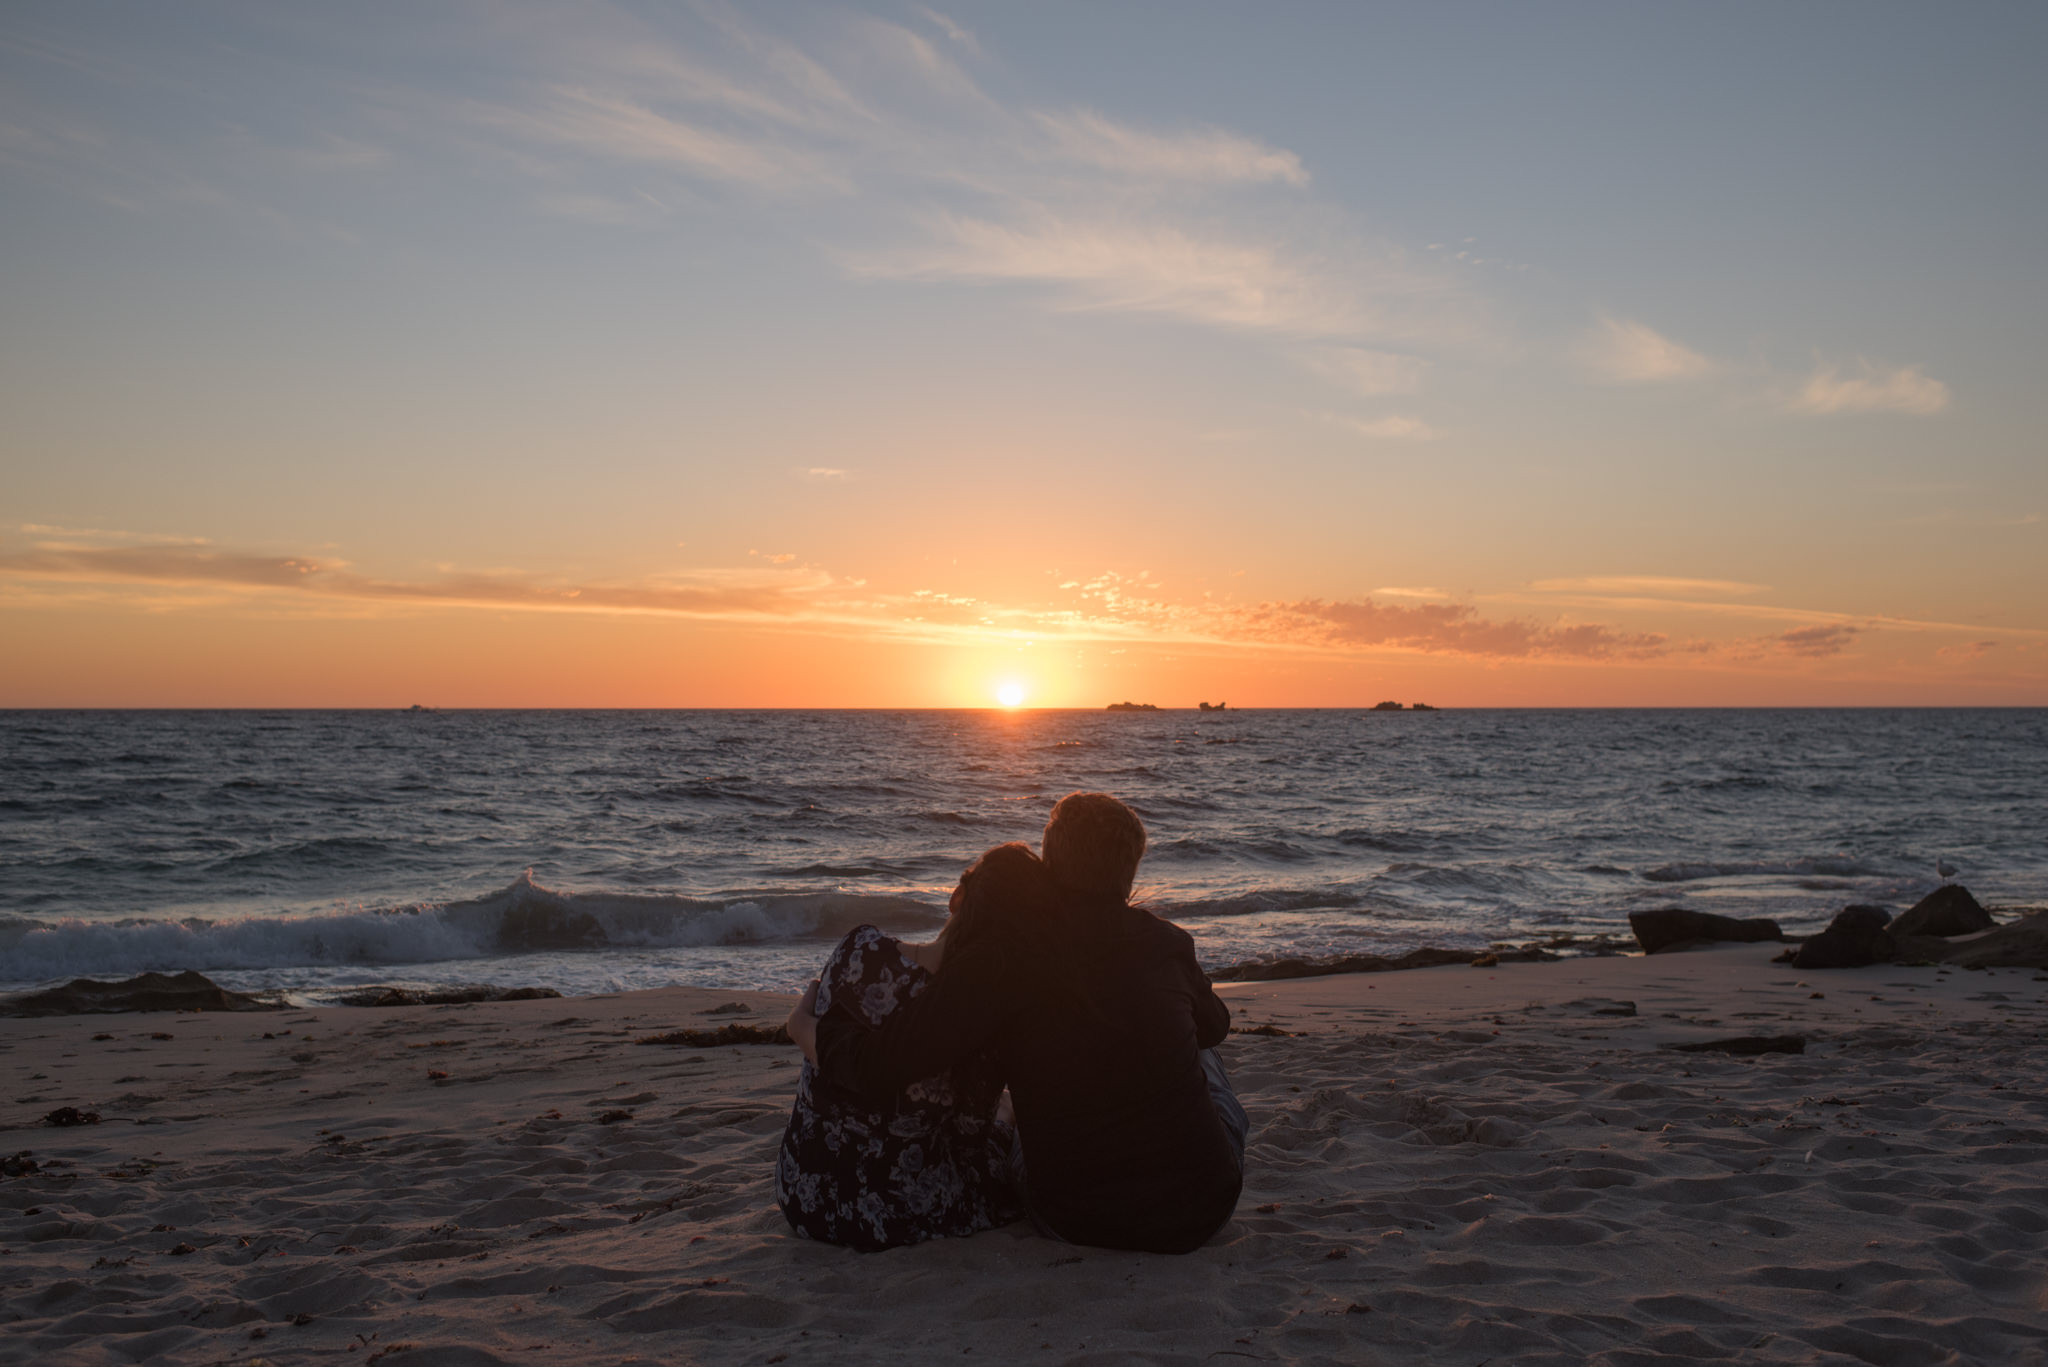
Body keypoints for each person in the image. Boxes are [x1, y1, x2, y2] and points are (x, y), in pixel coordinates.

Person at [786, 792, 1247, 1254]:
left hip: (1072, 1219)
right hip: (1202, 1211)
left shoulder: (1007, 961)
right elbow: (1215, 1027)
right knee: (1202, 1050)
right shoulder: (1166, 943)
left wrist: (806, 1027)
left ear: (1051, 861)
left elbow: (887, 1062)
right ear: (1130, 872)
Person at [772, 846, 1032, 1251]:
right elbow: (967, 1140)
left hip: (801, 1190)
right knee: (1006, 1141)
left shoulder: (858, 948)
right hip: (894, 1214)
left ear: (955, 898)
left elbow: (835, 1063)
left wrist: (799, 1026)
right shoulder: (983, 1019)